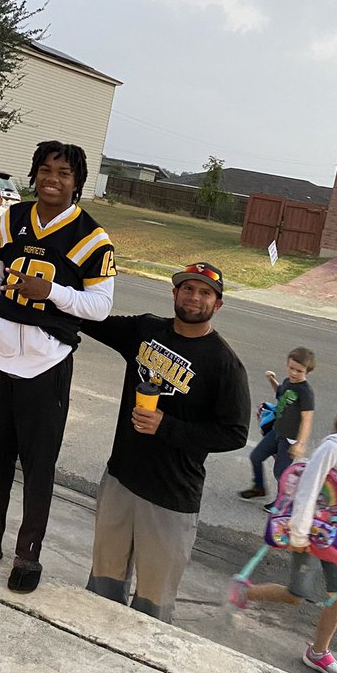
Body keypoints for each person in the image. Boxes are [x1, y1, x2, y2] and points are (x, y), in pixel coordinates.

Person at [0, 141, 116, 593]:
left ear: (77, 182)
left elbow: (100, 306)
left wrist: (52, 292)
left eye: (63, 173)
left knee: (39, 466)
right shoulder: (12, 218)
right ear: (34, 173)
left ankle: (29, 555)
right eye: (45, 170)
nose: (52, 180)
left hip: (48, 362)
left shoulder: (92, 238)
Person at [81, 262, 251, 622]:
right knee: (101, 589)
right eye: (187, 288)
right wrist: (54, 288)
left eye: (205, 292)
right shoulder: (146, 330)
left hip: (171, 499)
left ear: (217, 305)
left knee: (152, 607)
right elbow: (90, 319)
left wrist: (165, 426)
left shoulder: (224, 363)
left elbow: (234, 432)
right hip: (121, 481)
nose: (194, 297)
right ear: (174, 293)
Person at [228, 392, 337, 673]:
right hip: (308, 533)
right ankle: (245, 593)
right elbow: (308, 490)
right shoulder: (331, 449)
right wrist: (298, 535)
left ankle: (319, 652)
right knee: (296, 595)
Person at [238, 347, 315, 507]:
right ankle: (259, 488)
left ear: (307, 371)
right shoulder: (288, 382)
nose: (294, 373)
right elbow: (280, 394)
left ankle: (283, 501)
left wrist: (300, 443)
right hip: (277, 431)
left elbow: (307, 419)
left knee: (280, 473)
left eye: (299, 371)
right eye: (291, 368)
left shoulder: (305, 392)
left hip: (289, 439)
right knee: (256, 457)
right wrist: (272, 381)